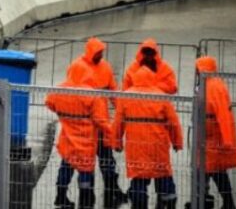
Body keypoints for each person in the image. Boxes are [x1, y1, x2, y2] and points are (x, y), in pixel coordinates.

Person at [68, 37, 127, 207]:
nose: (101, 55)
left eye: (102, 52)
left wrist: (120, 109)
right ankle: (86, 195)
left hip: (101, 123)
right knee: (83, 161)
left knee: (107, 159)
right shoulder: (78, 67)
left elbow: (112, 91)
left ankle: (112, 189)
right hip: (85, 124)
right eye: (98, 52)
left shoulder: (105, 67)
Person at [113, 66, 183, 209]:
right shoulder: (161, 96)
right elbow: (173, 122)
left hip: (135, 147)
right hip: (158, 146)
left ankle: (139, 204)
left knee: (139, 178)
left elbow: (118, 123)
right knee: (163, 175)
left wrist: (117, 142)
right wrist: (177, 142)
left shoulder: (126, 96)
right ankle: (169, 203)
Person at [46, 63, 113, 209]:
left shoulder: (60, 90)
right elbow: (101, 120)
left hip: (68, 139)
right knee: (85, 170)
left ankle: (60, 195)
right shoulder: (91, 94)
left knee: (66, 167)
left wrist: (63, 114)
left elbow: (49, 102)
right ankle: (86, 199)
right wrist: (112, 133)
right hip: (86, 141)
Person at [185, 56, 236, 209]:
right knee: (216, 171)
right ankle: (225, 202)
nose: (196, 72)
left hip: (211, 137)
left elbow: (223, 114)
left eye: (197, 69)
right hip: (210, 137)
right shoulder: (212, 85)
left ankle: (200, 202)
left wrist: (227, 140)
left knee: (203, 171)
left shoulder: (212, 87)